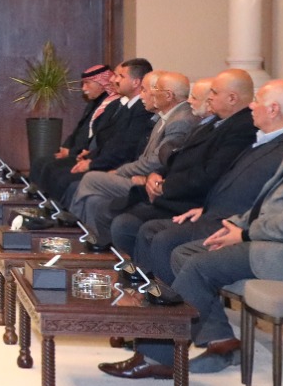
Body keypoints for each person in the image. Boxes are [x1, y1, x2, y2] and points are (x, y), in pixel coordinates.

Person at [101, 73, 283, 378]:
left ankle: (158, 355)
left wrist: (246, 233)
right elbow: (268, 203)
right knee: (184, 254)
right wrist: (234, 225)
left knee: (199, 265)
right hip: (276, 241)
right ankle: (218, 341)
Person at [131, 79, 283, 284]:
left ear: (273, 110)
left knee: (166, 241)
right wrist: (205, 208)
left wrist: (240, 227)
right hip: (214, 212)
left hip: (236, 222)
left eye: (256, 101)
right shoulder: (263, 139)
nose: (251, 106)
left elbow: (269, 199)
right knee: (151, 229)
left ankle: (171, 300)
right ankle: (153, 293)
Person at [98, 69, 258, 253]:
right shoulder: (214, 122)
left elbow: (209, 175)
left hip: (189, 200)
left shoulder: (242, 128)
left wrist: (164, 187)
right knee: (116, 213)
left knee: (127, 223)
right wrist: (157, 174)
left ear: (232, 98)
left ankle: (138, 269)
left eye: (214, 92)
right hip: (173, 191)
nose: (209, 97)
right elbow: (181, 156)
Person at [67, 71, 193, 234]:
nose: (148, 94)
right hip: (141, 176)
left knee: (91, 178)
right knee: (93, 200)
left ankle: (74, 227)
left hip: (151, 185)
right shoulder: (163, 116)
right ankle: (90, 237)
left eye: (154, 89)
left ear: (168, 95)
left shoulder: (180, 121)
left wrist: (120, 172)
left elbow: (156, 161)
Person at [40, 58, 156, 205]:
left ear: (135, 82)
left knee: (66, 179)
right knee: (54, 169)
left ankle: (61, 216)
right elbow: (108, 139)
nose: (115, 80)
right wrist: (90, 156)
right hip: (104, 160)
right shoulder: (127, 107)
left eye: (121, 76)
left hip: (118, 167)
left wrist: (92, 164)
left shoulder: (141, 110)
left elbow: (125, 148)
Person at [29, 64, 111, 188]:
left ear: (101, 84)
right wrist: (65, 147)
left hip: (86, 155)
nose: (84, 88)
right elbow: (79, 130)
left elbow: (95, 137)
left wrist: (72, 152)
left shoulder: (109, 105)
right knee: (39, 163)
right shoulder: (93, 103)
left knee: (51, 168)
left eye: (87, 83)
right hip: (75, 152)